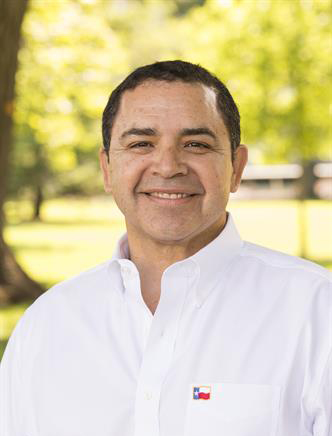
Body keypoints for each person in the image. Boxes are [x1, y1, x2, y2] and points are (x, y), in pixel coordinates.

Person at [0, 60, 331, 436]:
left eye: (196, 144)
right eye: (141, 143)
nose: (169, 166)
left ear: (236, 168)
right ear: (107, 168)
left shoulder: (317, 312)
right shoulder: (46, 326)